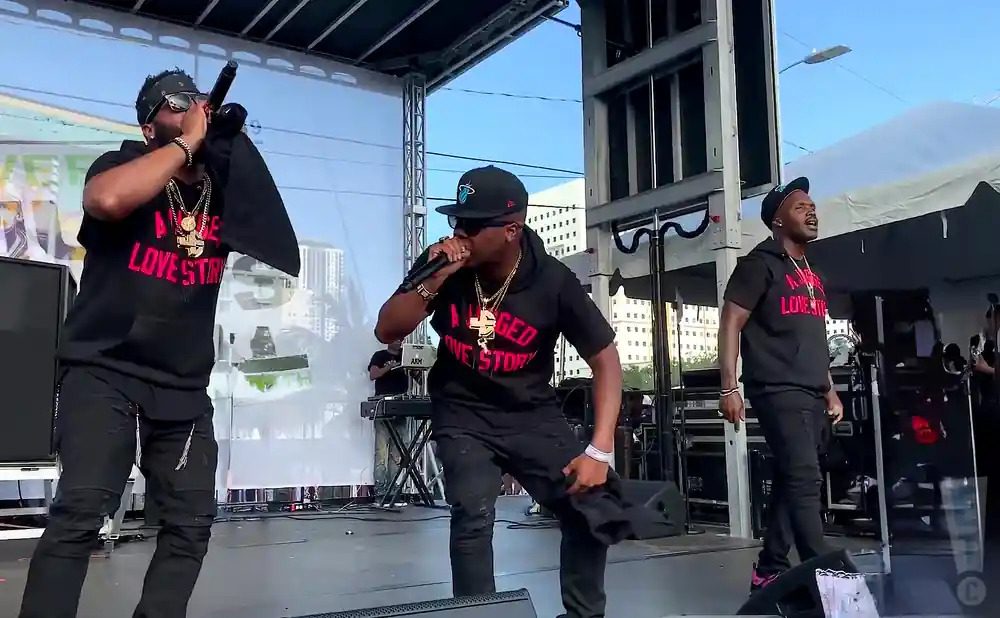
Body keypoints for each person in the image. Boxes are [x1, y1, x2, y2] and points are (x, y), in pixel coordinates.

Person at [19, 69, 226, 618]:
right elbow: (107, 201)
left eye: (197, 102)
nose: (192, 110)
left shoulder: (218, 187)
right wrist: (187, 142)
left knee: (190, 521)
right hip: (104, 365)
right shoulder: (118, 165)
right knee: (82, 509)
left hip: (181, 380)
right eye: (177, 105)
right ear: (148, 124)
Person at [374, 166, 624, 618]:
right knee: (472, 516)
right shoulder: (443, 265)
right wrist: (434, 277)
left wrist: (599, 449)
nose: (459, 233)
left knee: (591, 504)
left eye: (472, 225)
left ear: (511, 229)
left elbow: (605, 359)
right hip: (463, 412)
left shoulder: (552, 281)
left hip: (531, 414)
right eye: (456, 221)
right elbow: (387, 327)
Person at [717, 177, 843, 593]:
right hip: (776, 388)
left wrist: (829, 389)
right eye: (799, 207)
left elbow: (813, 338)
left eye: (812, 206)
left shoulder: (811, 274)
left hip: (811, 391)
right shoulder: (760, 264)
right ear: (777, 219)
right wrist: (728, 387)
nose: (811, 211)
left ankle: (769, 566)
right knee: (805, 479)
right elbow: (731, 322)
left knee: (794, 479)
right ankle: (827, 577)